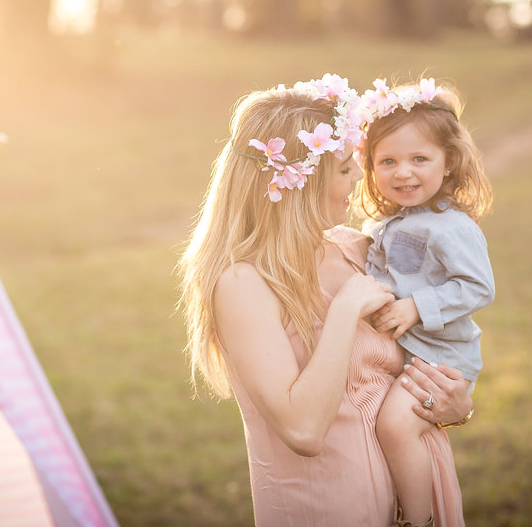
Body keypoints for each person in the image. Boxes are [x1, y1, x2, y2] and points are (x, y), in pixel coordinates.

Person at [178, 75, 475, 527]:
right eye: (342, 169)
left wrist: (453, 408)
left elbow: (437, 337)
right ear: (300, 183)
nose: (360, 176)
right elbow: (303, 429)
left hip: (421, 501)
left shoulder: (356, 249)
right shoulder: (244, 283)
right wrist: (344, 311)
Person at [358, 79, 495, 527]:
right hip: (412, 353)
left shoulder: (451, 225)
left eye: (420, 159)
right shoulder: (384, 224)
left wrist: (416, 306)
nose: (403, 173)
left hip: (442, 359)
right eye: (388, 161)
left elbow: (478, 287)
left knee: (396, 427)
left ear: (449, 162)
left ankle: (416, 520)